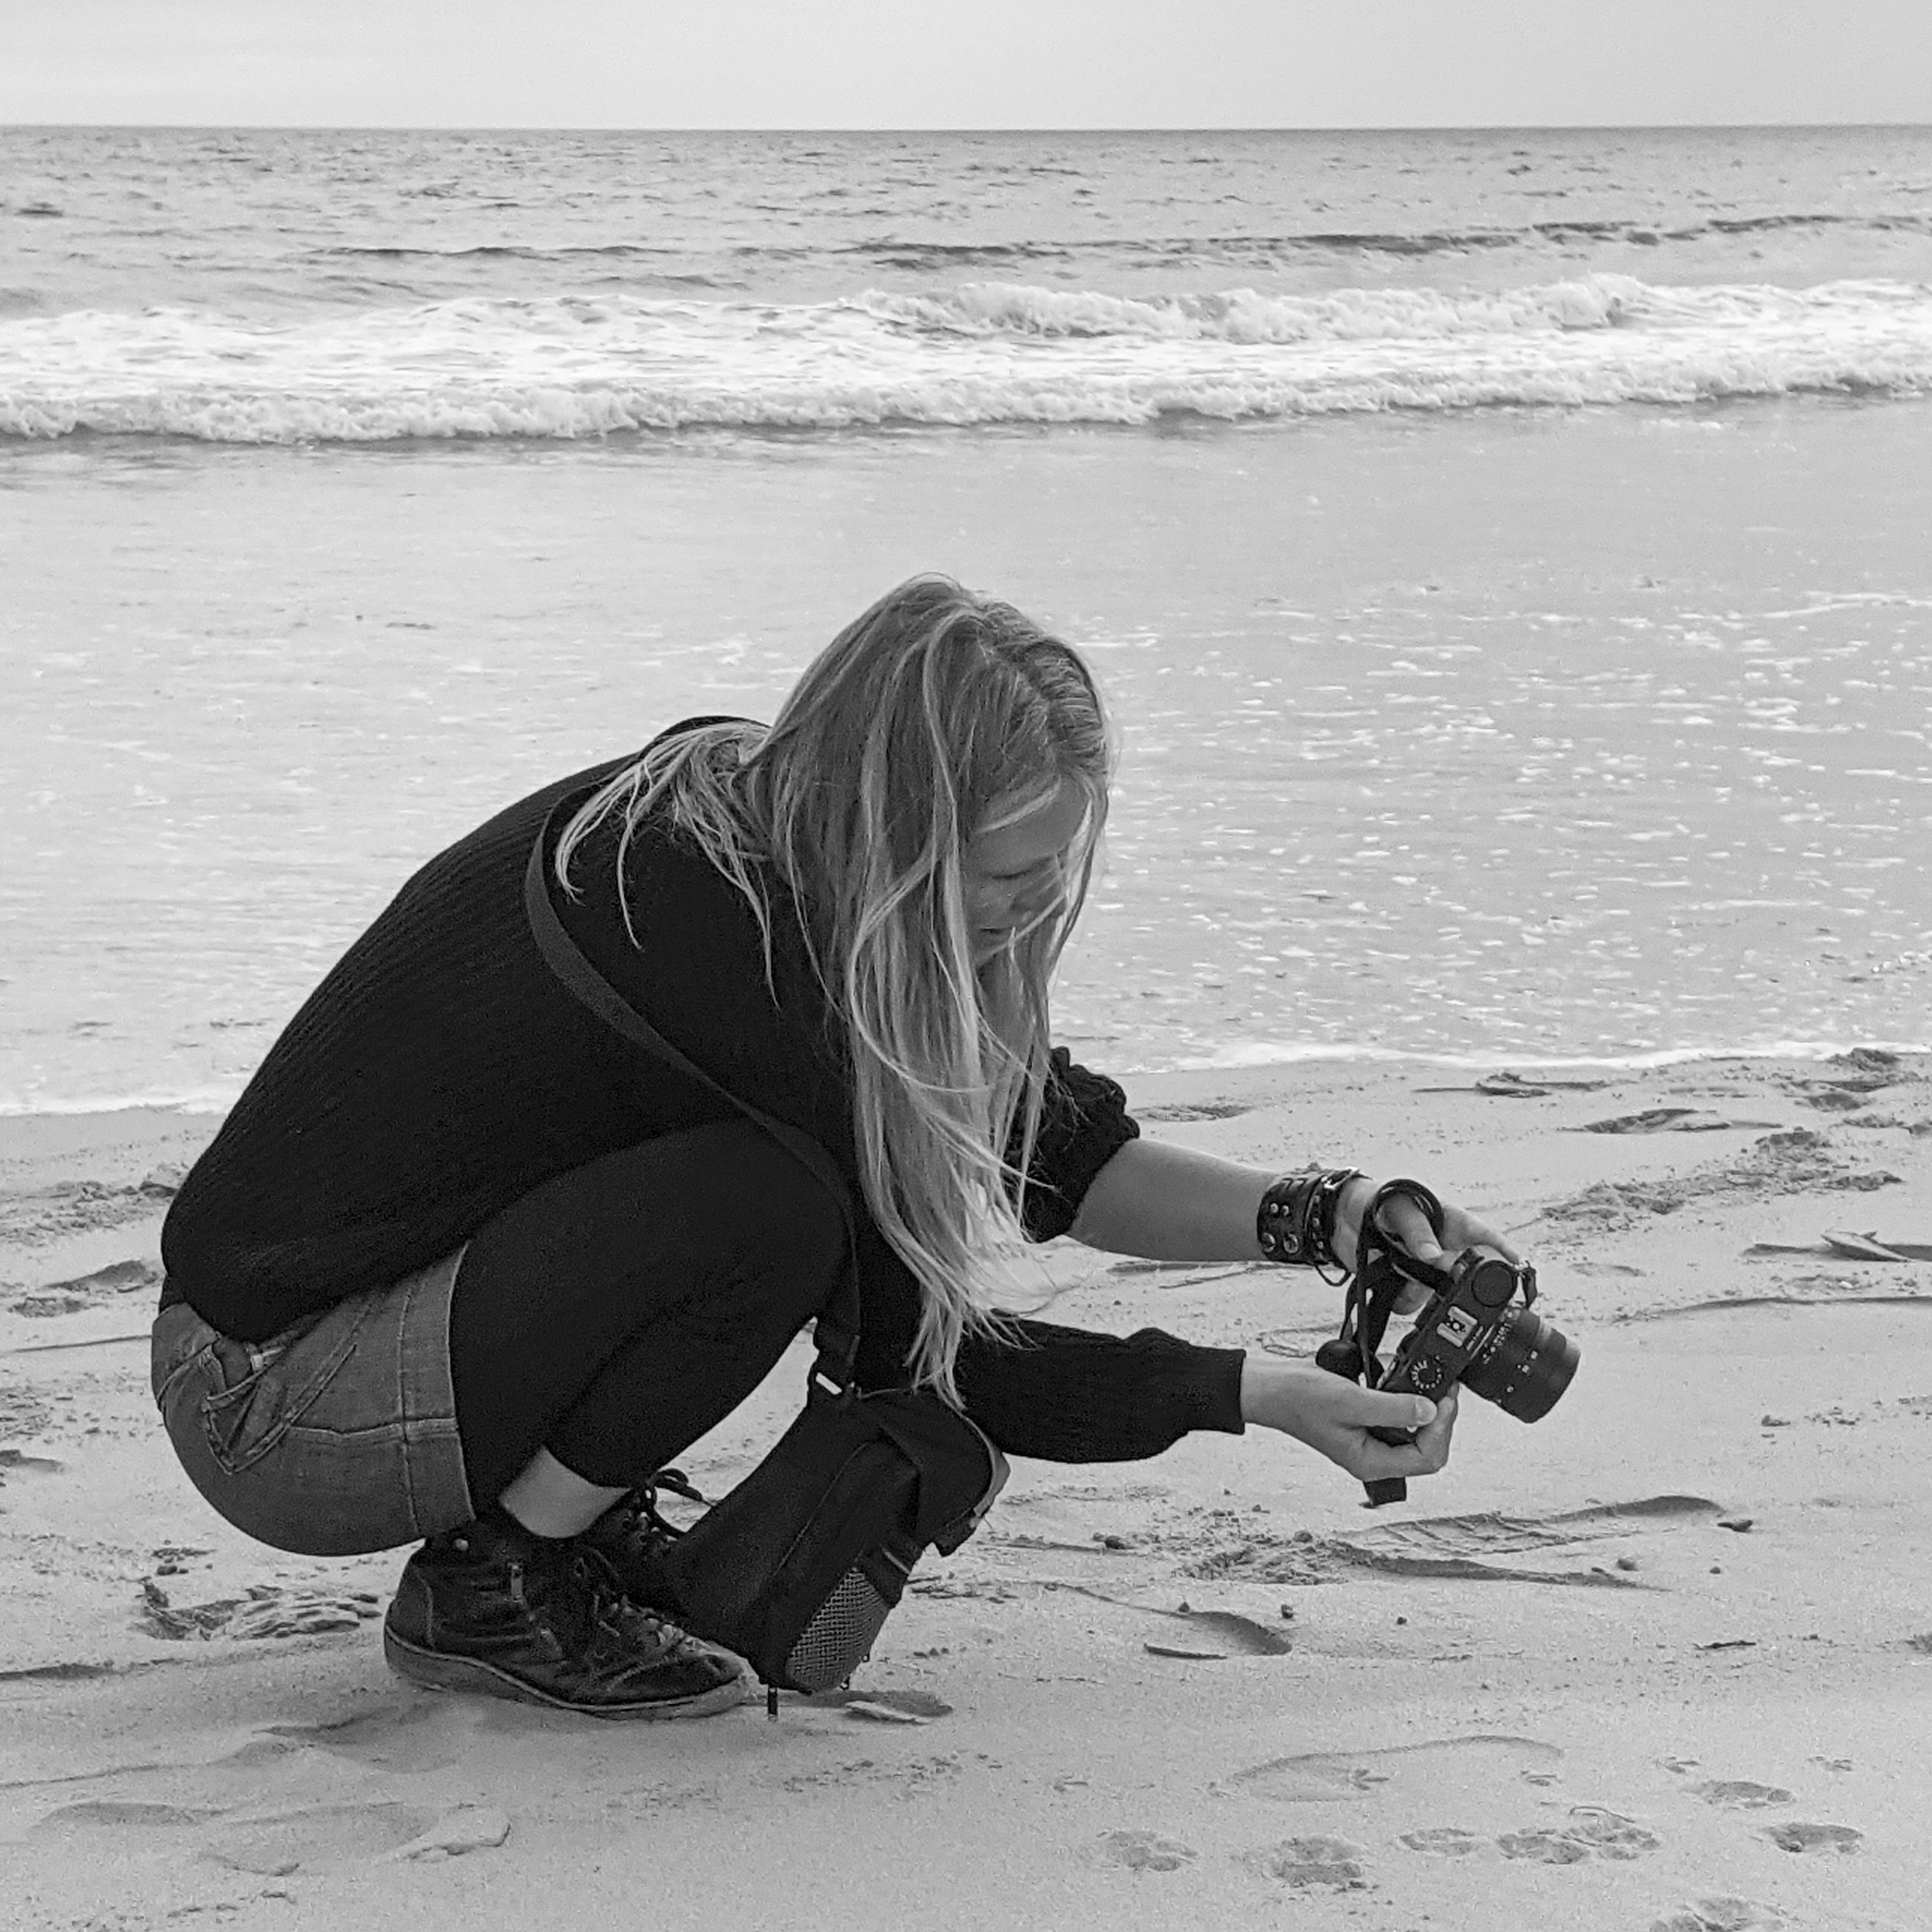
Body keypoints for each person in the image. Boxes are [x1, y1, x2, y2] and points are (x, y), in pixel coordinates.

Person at [152, 573, 1508, 1721]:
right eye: (1005, 872)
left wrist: (1332, 1210)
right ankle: (497, 1582)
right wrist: (1259, 1395)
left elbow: (1050, 1147)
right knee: (770, 1216)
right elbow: (928, 1358)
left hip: (376, 1326)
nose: (1035, 901)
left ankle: (552, 1521)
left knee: (758, 1203)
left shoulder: (757, 822)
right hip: (272, 1399)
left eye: (1055, 863)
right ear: (895, 830)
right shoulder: (733, 952)